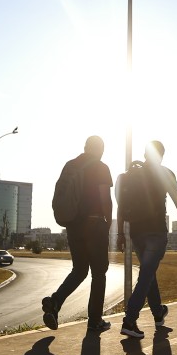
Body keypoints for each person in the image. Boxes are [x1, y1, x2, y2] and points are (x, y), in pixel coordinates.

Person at [116, 141, 177, 339]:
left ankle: (158, 313)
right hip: (155, 232)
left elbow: (120, 205)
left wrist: (119, 234)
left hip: (136, 233)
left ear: (144, 154)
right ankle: (130, 320)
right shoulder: (164, 173)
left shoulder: (132, 174)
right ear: (162, 155)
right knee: (146, 275)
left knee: (148, 273)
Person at [42, 136, 113, 333]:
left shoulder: (70, 165)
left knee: (80, 270)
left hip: (73, 226)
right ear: (100, 149)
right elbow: (105, 199)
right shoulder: (101, 167)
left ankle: (55, 303)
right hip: (95, 224)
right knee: (99, 273)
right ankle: (95, 320)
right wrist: (108, 224)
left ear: (84, 148)